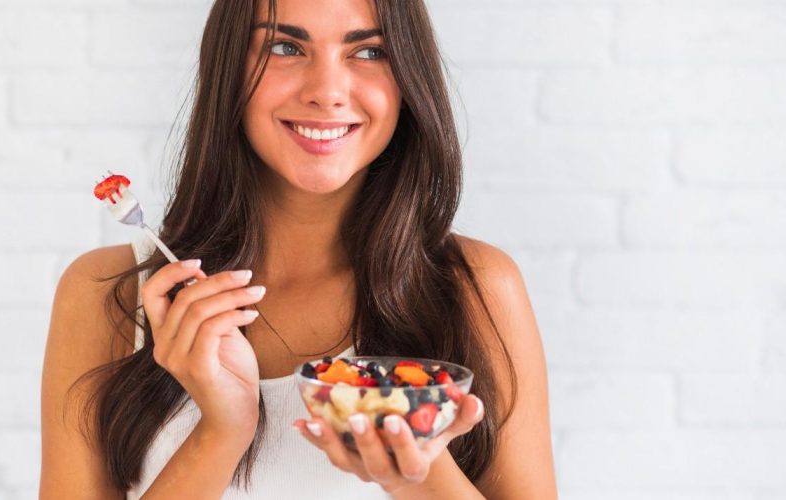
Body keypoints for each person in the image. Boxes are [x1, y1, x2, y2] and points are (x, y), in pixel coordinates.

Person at [40, 0, 556, 497]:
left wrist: (416, 479)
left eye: (370, 51)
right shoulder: (109, 293)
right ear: (229, 68)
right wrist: (223, 430)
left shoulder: (477, 285)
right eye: (286, 47)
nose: (327, 91)